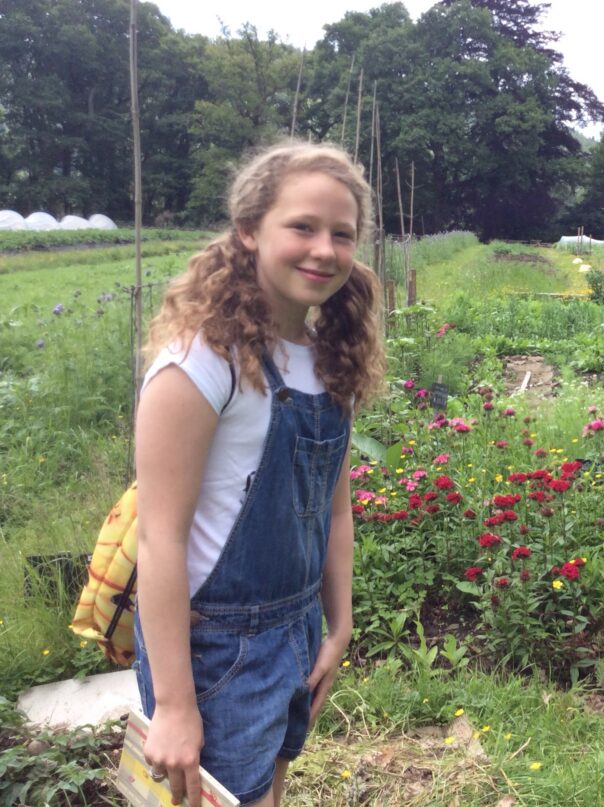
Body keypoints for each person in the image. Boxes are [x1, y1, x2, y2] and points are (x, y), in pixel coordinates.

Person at [133, 141, 385, 807]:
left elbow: (334, 509)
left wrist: (338, 624)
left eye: (342, 234)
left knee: (268, 789)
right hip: (212, 648)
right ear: (249, 230)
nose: (324, 249)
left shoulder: (328, 359)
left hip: (295, 628)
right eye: (302, 226)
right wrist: (176, 706)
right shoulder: (201, 363)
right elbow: (159, 540)